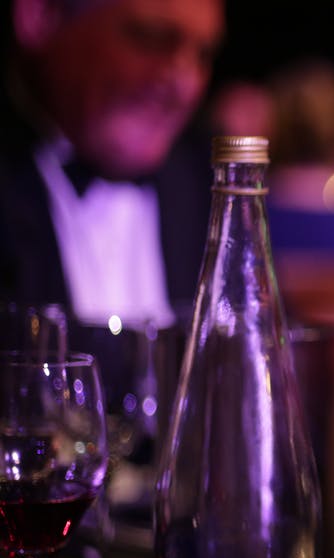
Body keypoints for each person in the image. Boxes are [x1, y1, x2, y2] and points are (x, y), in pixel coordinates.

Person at [0, 0, 224, 328]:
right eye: (152, 37)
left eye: (203, 55)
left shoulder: (210, 184)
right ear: (41, 14)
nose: (186, 86)